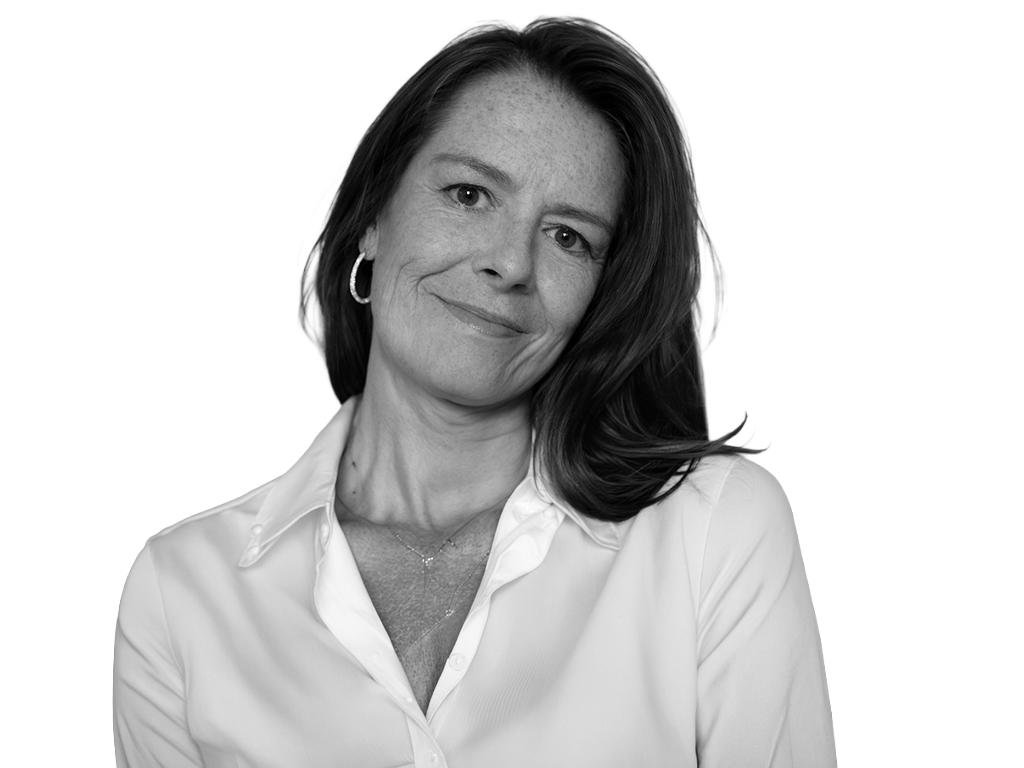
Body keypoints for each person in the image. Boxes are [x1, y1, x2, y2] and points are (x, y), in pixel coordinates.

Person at [113, 17, 835, 767]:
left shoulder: (714, 535)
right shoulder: (182, 593)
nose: (509, 263)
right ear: (372, 219)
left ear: (602, 292)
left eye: (568, 237)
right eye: (469, 194)